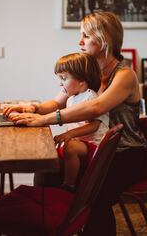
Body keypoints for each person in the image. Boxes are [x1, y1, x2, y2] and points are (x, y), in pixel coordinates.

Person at [3, 11, 147, 235]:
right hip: (98, 149)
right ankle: (52, 227)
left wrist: (44, 120)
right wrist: (32, 108)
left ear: (104, 39)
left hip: (125, 154)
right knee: (47, 171)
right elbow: (59, 101)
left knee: (93, 197)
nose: (80, 42)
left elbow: (96, 107)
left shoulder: (125, 75)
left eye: (86, 36)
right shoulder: (88, 71)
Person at [53, 52, 109, 193]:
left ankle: (69, 185)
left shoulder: (90, 97)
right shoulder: (71, 99)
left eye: (64, 78)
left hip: (94, 145)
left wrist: (69, 135)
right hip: (81, 143)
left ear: (81, 81)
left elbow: (94, 126)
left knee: (70, 147)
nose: (60, 83)